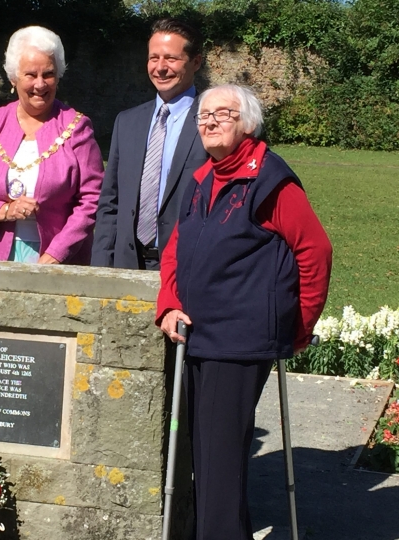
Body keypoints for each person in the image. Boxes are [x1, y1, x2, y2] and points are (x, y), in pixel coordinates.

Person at [156, 84, 333, 540]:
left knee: (216, 463)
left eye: (223, 114)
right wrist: (169, 303)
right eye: (204, 115)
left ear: (248, 123)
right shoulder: (204, 177)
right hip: (198, 334)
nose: (210, 121)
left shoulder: (271, 180)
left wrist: (298, 325)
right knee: (214, 460)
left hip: (238, 341)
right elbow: (176, 250)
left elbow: (314, 250)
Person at [0, 26, 103, 264]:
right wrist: (2, 211)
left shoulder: (77, 127)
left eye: (49, 74)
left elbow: (92, 199)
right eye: (31, 75)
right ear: (13, 78)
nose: (40, 84)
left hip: (60, 262)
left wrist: (56, 254)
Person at [92, 18, 208, 270]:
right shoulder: (127, 122)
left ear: (196, 62)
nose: (160, 67)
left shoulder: (212, 122)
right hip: (127, 263)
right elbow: (110, 202)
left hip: (188, 268)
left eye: (171, 58)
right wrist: (100, 264)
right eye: (153, 58)